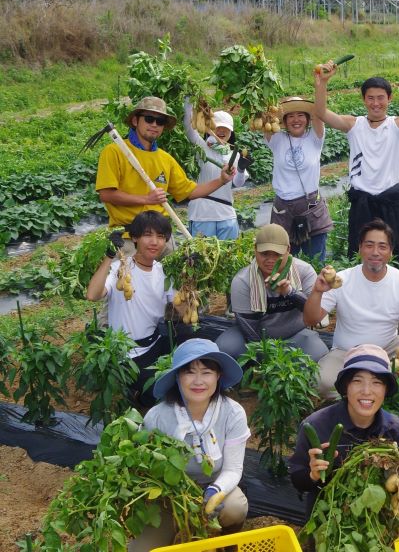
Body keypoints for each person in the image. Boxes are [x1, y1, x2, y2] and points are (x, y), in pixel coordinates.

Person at [313, 57, 399, 276]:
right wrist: (322, 83)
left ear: (389, 98)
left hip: (389, 201)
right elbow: (321, 113)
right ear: (364, 100)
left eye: (381, 98)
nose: (376, 103)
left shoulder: (397, 126)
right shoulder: (353, 125)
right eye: (370, 98)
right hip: (362, 202)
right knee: (359, 254)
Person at [129, 338, 251, 550]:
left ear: (218, 376)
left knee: (234, 508)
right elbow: (143, 467)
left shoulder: (232, 413)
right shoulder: (158, 416)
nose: (198, 381)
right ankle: (178, 529)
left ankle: (225, 540)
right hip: (169, 497)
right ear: (177, 377)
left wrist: (216, 491)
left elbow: (233, 468)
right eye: (189, 372)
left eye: (206, 372)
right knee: (142, 549)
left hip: (213, 484)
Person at [303, 218, 399, 399]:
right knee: (322, 382)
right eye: (369, 245)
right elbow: (310, 319)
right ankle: (376, 384)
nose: (375, 252)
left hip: (387, 349)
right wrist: (317, 291)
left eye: (382, 246)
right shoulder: (342, 280)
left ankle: (388, 383)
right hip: (346, 352)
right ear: (360, 248)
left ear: (390, 252)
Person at [95, 96, 235, 256]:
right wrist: (146, 199)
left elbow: (190, 191)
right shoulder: (115, 152)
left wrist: (221, 180)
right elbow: (106, 194)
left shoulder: (165, 159)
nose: (154, 124)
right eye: (149, 119)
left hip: (163, 241)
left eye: (160, 121)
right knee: (127, 281)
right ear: (135, 121)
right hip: (129, 240)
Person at [288, 344, 399, 519]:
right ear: (345, 387)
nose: (366, 391)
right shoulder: (317, 425)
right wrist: (312, 475)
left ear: (385, 389)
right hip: (327, 516)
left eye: (376, 382)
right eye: (357, 381)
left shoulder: (393, 429)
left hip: (375, 516)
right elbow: (298, 479)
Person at [86, 210, 175, 407]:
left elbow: (184, 311)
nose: (155, 242)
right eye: (148, 235)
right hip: (129, 353)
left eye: (161, 237)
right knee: (159, 395)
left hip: (155, 343)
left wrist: (190, 275)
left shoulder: (164, 272)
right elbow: (92, 295)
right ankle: (131, 392)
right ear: (134, 238)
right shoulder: (120, 268)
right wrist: (109, 256)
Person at [215, 224, 328, 362]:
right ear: (255, 249)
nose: (270, 260)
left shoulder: (305, 271)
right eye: (264, 254)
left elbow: (313, 314)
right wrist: (269, 359)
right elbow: (250, 331)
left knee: (318, 352)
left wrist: (289, 292)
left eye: (277, 254)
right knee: (225, 347)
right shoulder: (243, 281)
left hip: (295, 335)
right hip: (254, 337)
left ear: (288, 250)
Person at [264, 96, 333, 261]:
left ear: (308, 118)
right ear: (284, 120)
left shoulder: (315, 138)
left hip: (311, 208)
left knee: (316, 262)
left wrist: (320, 84)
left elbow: (319, 111)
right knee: (283, 263)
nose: (296, 120)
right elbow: (264, 118)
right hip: (283, 211)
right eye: (290, 116)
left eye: (301, 115)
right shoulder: (277, 139)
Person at [183, 100, 250, 239]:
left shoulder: (234, 154)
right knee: (203, 257)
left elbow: (238, 183)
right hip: (202, 214)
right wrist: (189, 101)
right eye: (217, 127)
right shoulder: (201, 147)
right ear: (210, 128)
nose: (221, 131)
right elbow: (189, 128)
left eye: (226, 129)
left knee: (229, 257)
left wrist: (242, 169)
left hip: (226, 214)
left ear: (231, 132)